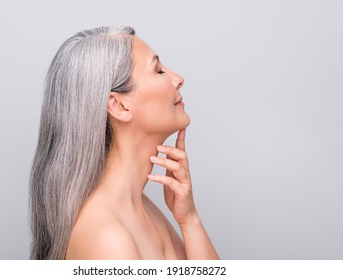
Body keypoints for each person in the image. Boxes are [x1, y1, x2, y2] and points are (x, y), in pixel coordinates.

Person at [29, 26, 219, 260]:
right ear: (119, 106)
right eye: (159, 71)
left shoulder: (141, 207)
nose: (178, 79)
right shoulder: (108, 238)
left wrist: (189, 220)